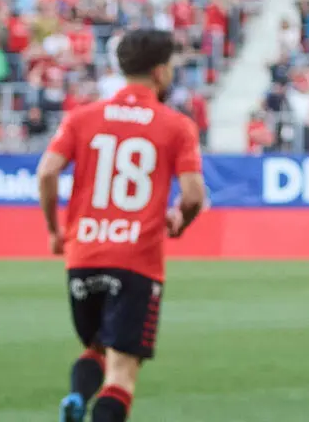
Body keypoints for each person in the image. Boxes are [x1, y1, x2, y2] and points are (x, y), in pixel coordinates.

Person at [37, 29, 207, 422]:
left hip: (83, 254)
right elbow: (194, 194)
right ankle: (89, 404)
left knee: (96, 344)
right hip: (136, 260)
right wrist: (180, 221)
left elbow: (46, 173)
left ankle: (78, 396)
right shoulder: (175, 125)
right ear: (161, 72)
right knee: (122, 373)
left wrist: (53, 230)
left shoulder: (82, 118)